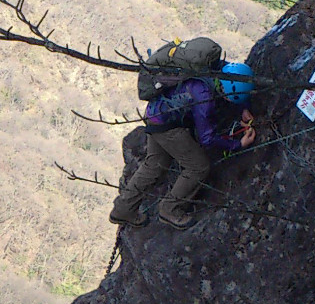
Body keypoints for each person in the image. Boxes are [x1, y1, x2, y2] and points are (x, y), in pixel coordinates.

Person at [109, 61, 257, 230]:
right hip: (168, 126)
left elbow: (236, 84)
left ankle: (122, 209)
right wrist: (237, 144)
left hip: (154, 113)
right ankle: (170, 209)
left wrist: (243, 108)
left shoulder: (214, 69)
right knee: (198, 167)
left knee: (154, 166)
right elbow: (206, 138)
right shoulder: (204, 98)